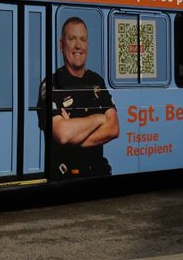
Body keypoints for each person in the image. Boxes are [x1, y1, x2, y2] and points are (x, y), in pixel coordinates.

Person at [36, 16, 120, 178]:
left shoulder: (97, 81)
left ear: (87, 45)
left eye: (82, 39)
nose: (78, 46)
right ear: (62, 45)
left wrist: (75, 136)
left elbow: (114, 128)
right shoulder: (52, 84)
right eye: (72, 39)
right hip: (64, 177)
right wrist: (99, 119)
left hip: (97, 174)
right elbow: (62, 133)